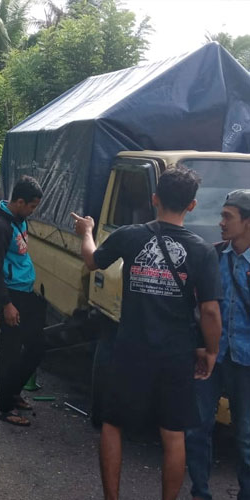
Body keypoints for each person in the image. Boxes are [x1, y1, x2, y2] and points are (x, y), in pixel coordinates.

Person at [72, 167, 222, 500]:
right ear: (192, 205)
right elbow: (210, 311)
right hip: (176, 354)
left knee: (113, 424)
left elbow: (92, 260)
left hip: (130, 349)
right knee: (173, 434)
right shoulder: (202, 251)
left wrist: (87, 230)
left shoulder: (130, 235)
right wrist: (211, 352)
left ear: (155, 199)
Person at [186, 189, 250, 500]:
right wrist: (200, 344)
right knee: (197, 430)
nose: (220, 222)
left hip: (246, 362)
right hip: (210, 356)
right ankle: (201, 492)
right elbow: (196, 308)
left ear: (247, 222)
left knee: (246, 438)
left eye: (228, 216)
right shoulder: (211, 255)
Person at [0, 176, 44, 427]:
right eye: (31, 206)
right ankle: (4, 407)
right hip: (11, 295)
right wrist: (6, 304)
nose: (33, 211)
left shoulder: (19, 219)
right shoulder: (1, 226)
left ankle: (14, 391)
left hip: (25, 291)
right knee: (9, 351)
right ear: (19, 201)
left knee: (37, 346)